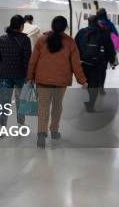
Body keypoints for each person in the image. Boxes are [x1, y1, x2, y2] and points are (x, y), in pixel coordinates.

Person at [27, 16, 87, 148]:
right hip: (61, 81)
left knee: (43, 107)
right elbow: (76, 64)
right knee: (57, 106)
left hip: (42, 80)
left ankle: (41, 135)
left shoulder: (42, 40)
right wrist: (82, 80)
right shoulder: (70, 42)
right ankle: (54, 130)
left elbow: (33, 61)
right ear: (65, 27)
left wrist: (30, 77)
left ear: (52, 26)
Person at [0, 15, 32, 130]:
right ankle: (21, 123)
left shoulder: (2, 39)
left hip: (5, 74)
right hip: (20, 75)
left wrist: (0, 70)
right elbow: (27, 60)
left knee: (3, 99)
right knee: (21, 99)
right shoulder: (25, 40)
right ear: (21, 26)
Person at [74, 15, 116, 112]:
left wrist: (78, 59)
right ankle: (91, 104)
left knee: (87, 82)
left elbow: (75, 46)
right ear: (97, 22)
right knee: (94, 83)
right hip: (99, 63)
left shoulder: (82, 32)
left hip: (84, 62)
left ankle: (88, 100)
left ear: (88, 22)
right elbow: (110, 48)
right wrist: (112, 60)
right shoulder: (104, 33)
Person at [96, 8, 118, 94]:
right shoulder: (109, 24)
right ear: (105, 14)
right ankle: (101, 86)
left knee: (94, 69)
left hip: (95, 50)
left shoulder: (95, 23)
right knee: (103, 70)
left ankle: (93, 86)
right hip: (105, 52)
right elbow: (115, 36)